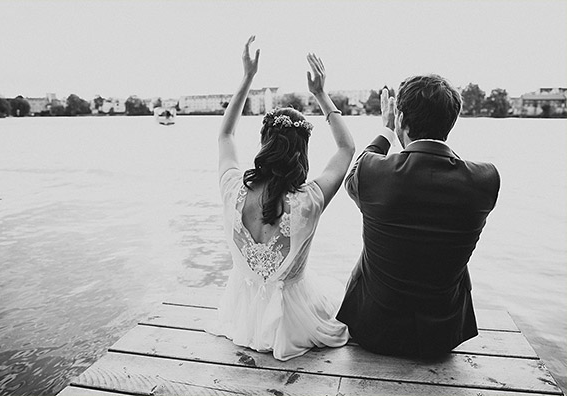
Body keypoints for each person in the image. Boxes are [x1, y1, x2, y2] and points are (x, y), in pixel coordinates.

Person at [206, 36, 356, 361]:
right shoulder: (309, 200)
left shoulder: (232, 189)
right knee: (336, 299)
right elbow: (346, 149)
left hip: (241, 318)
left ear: (264, 143)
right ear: (303, 151)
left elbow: (225, 135)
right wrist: (320, 94)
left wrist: (247, 78)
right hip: (294, 324)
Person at [336, 76, 500, 358]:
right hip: (442, 338)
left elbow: (355, 173)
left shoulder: (373, 172)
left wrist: (386, 131)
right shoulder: (485, 180)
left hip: (373, 331)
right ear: (452, 121)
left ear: (400, 118)